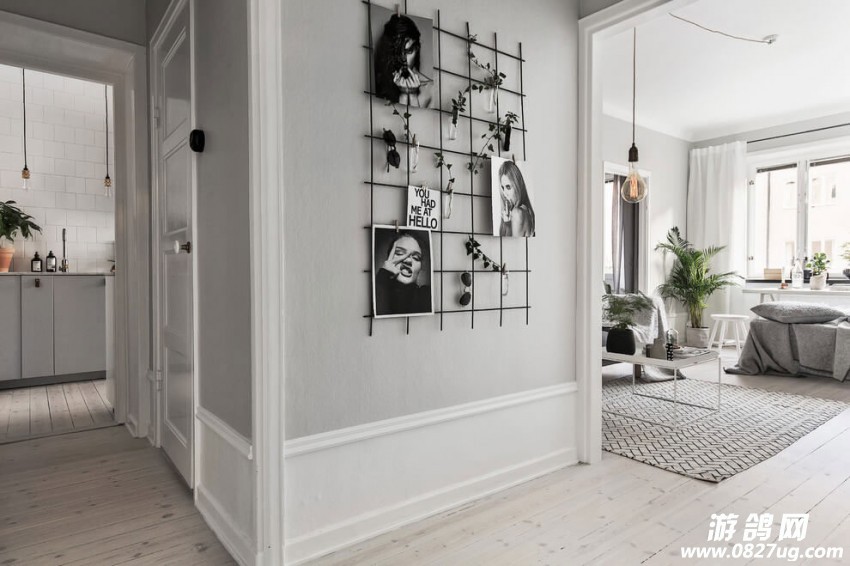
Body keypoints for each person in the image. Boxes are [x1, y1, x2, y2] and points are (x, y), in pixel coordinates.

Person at [374, 14, 433, 108]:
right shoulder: (379, 85)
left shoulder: (431, 89)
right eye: (397, 53)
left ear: (417, 48)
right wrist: (404, 94)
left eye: (408, 51)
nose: (403, 59)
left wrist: (412, 95)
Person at [374, 230, 431, 316]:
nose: (408, 261)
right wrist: (383, 275)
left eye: (416, 257)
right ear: (388, 259)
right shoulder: (376, 290)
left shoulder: (427, 296)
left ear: (420, 267)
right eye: (399, 253)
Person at [497, 160, 535, 237]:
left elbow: (511, 242)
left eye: (508, 187)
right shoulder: (526, 210)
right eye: (503, 188)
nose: (504, 194)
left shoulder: (517, 213)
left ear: (517, 185)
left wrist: (506, 224)